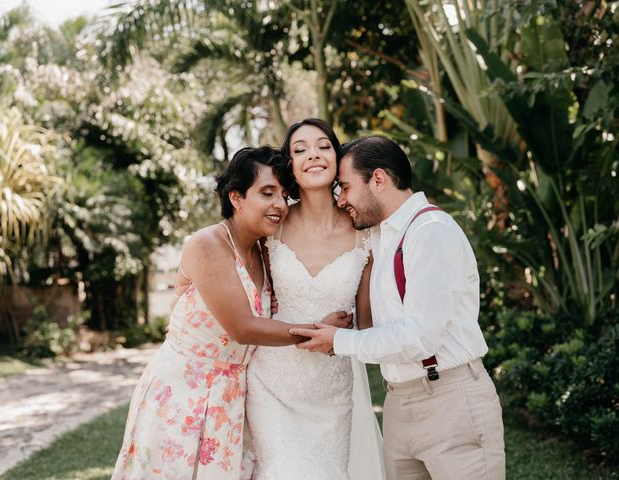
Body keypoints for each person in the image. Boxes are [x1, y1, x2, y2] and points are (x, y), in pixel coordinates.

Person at [112, 146, 352, 480]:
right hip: (183, 390)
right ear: (236, 197)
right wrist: (317, 331)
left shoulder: (264, 251)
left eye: (284, 195)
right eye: (266, 193)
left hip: (234, 395)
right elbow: (244, 327)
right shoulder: (208, 244)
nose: (280, 205)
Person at [289, 136, 505, 480]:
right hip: (398, 404)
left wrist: (339, 342)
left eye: (345, 187)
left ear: (378, 179)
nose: (341, 199)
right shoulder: (379, 237)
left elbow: (420, 337)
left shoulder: (431, 232)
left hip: (450, 400)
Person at [244, 119, 385, 480]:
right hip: (272, 383)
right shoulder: (273, 222)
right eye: (300, 149)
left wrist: (345, 328)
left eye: (323, 146)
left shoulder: (363, 232)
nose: (313, 155)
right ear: (289, 164)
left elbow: (366, 324)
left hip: (332, 390)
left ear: (338, 158)